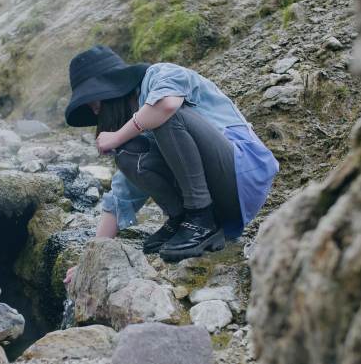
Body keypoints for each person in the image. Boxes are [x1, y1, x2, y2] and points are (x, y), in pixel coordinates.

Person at [63, 45, 278, 283]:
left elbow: (167, 106)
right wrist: (89, 258)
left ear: (111, 89)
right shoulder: (138, 121)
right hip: (221, 201)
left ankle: (199, 217)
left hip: (242, 174)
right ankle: (182, 219)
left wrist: (115, 136)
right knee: (128, 153)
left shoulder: (161, 75)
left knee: (162, 116)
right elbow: (121, 196)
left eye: (95, 105)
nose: (97, 114)